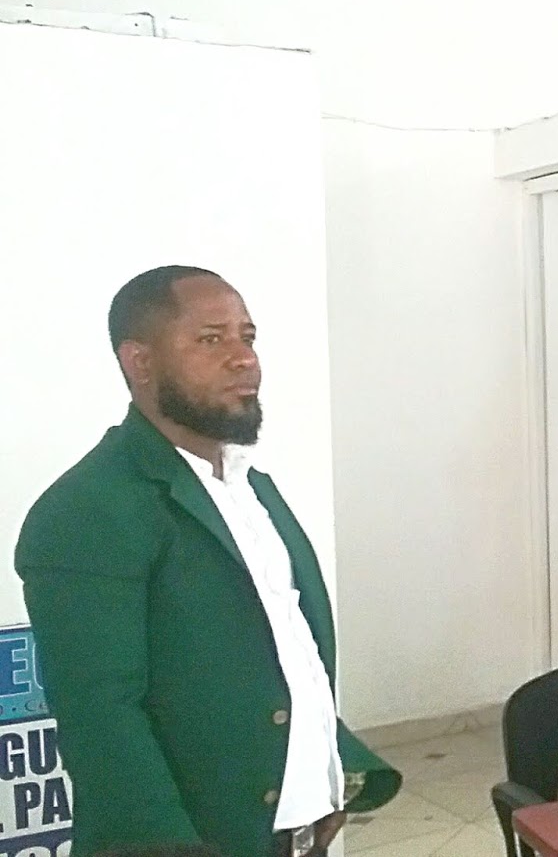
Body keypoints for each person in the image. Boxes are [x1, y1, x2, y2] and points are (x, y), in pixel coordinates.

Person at [14, 267, 399, 857]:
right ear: (140, 362)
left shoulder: (249, 487)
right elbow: (101, 719)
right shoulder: (88, 509)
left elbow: (289, 650)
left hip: (295, 831)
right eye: (211, 339)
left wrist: (329, 773)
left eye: (248, 337)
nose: (244, 359)